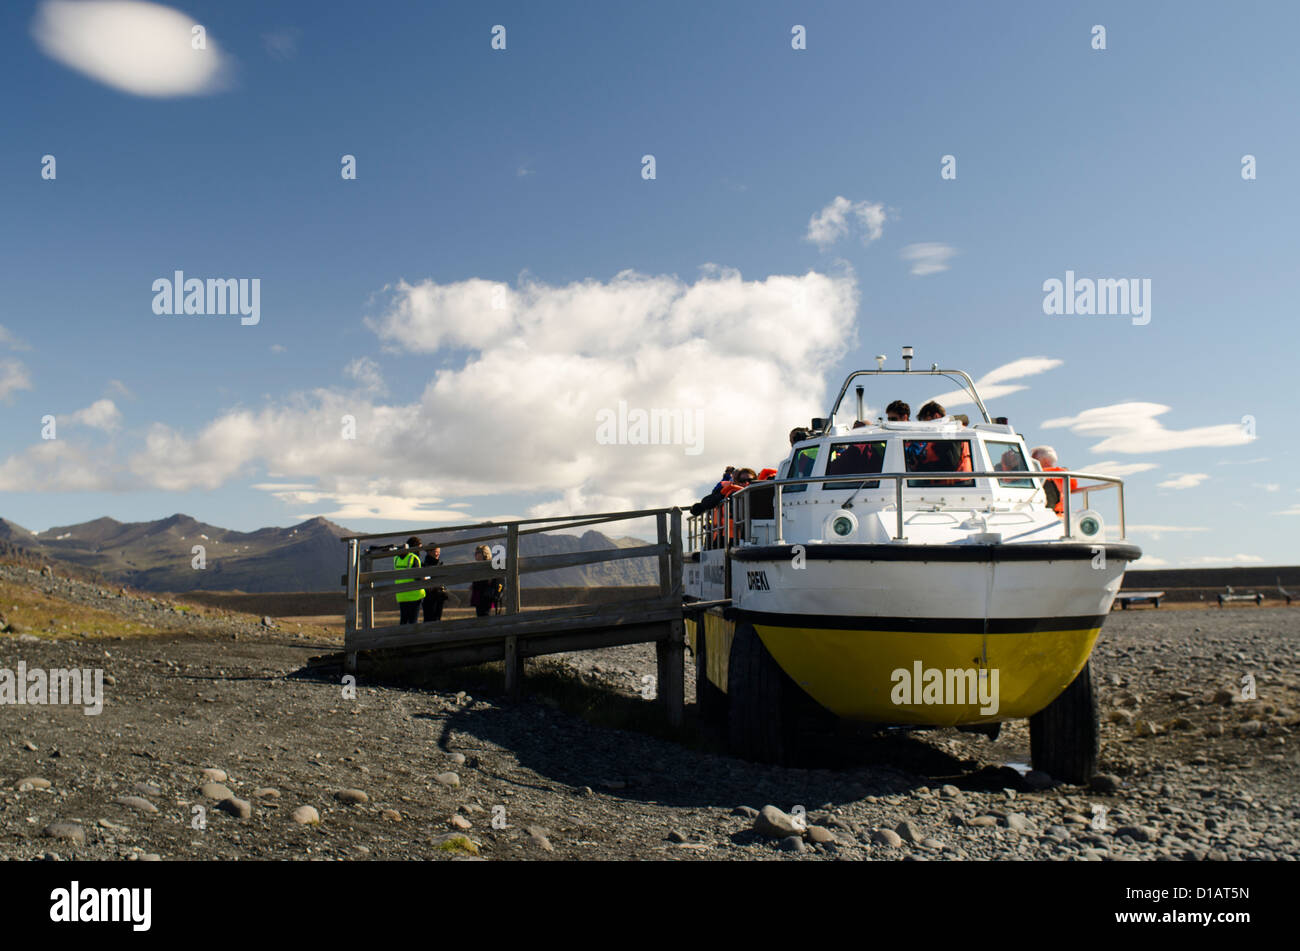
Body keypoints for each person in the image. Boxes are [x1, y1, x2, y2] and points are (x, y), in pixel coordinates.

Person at [1030, 446, 1078, 516]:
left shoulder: (1041, 478)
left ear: (1045, 460)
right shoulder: (1065, 476)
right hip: (1062, 516)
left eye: (1033, 460)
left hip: (1046, 516)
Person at [393, 536, 425, 625]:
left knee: (403, 621)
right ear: (415, 546)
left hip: (401, 594)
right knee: (413, 622)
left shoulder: (396, 558)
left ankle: (401, 638)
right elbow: (418, 577)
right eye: (420, 547)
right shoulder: (413, 558)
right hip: (414, 594)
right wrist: (425, 578)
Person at [469, 544, 504, 618]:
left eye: (478, 553)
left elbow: (498, 581)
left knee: (484, 616)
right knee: (480, 616)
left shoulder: (490, 567)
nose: (476, 555)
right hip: (479, 597)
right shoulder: (478, 567)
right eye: (476, 553)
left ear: (485, 555)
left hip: (486, 597)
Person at [420, 543, 449, 624]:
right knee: (429, 619)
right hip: (429, 597)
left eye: (439, 551)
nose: (438, 553)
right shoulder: (424, 565)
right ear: (429, 552)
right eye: (436, 551)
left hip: (440, 596)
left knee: (438, 619)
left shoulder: (440, 564)